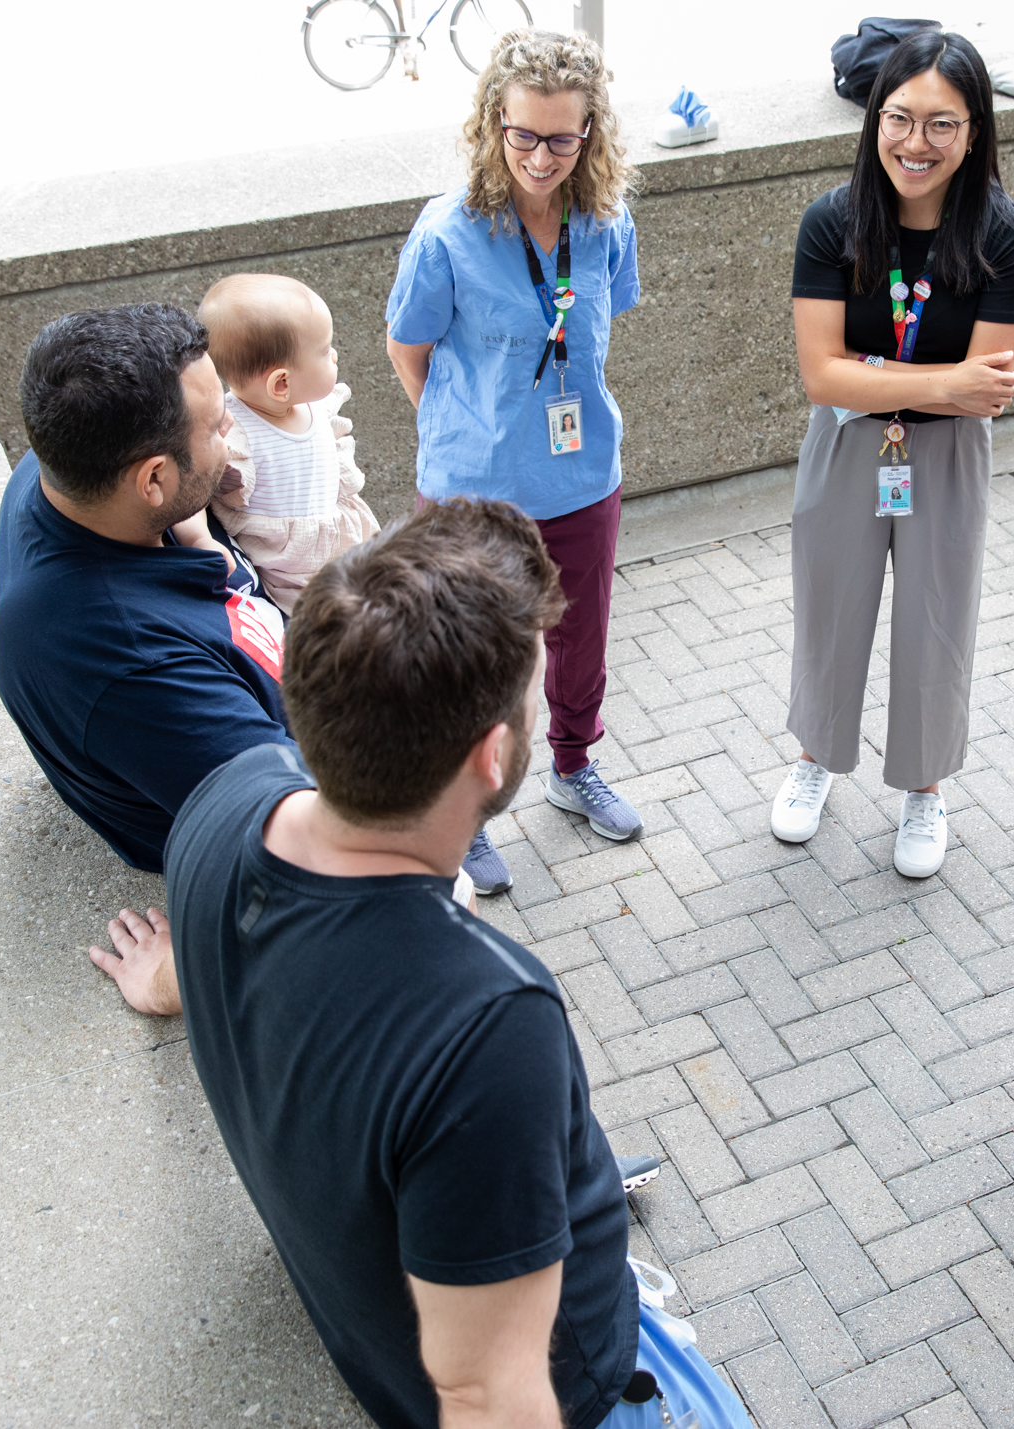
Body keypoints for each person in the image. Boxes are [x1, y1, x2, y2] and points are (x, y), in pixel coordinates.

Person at [163, 499, 743, 1429]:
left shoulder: (223, 800)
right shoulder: (486, 1024)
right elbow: (484, 1395)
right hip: (595, 1393)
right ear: (491, 755)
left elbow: (216, 972)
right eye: (532, 691)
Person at [774, 28, 1014, 879]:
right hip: (847, 447)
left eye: (941, 124)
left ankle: (925, 785)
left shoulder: (1005, 235)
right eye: (899, 118)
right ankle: (816, 758)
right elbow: (821, 377)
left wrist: (879, 375)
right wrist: (940, 380)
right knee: (829, 605)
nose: (915, 144)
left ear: (974, 130)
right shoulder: (833, 221)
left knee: (936, 620)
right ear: (873, 119)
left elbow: (986, 390)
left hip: (948, 458)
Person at [386, 28, 642, 899]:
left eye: (561, 138)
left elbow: (602, 323)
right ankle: (468, 816)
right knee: (471, 658)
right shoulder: (446, 231)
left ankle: (573, 768)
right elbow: (407, 345)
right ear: (495, 122)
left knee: (581, 637)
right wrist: (459, 432)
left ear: (590, 133)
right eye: (523, 134)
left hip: (581, 476)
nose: (540, 156)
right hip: (472, 491)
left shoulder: (605, 218)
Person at [0, 302, 290, 882]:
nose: (234, 426)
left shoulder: (63, 467)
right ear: (152, 479)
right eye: (215, 426)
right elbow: (304, 831)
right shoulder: (131, 664)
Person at [195, 273, 380, 613]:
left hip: (348, 554)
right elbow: (191, 484)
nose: (335, 356)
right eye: (325, 351)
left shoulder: (315, 408)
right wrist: (198, 539)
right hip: (292, 585)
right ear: (281, 384)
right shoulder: (233, 430)